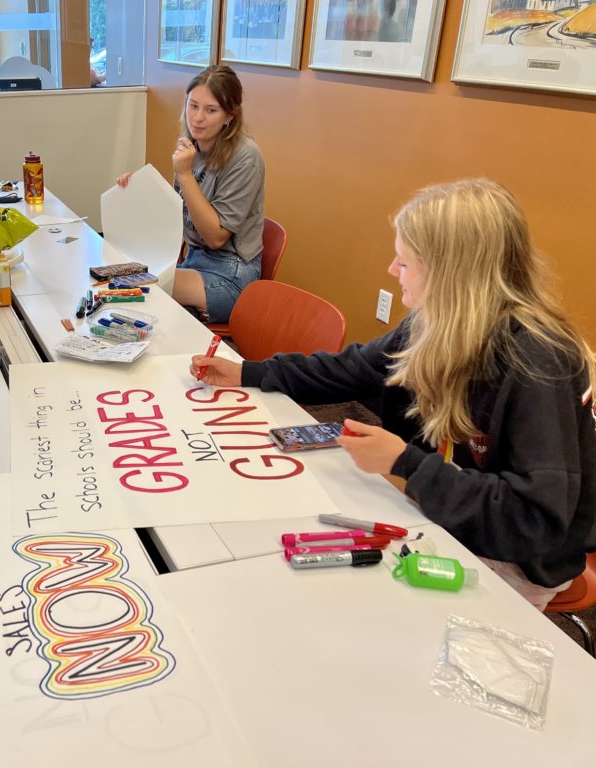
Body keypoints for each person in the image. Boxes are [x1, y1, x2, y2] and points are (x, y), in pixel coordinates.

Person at [190, 179, 596, 610]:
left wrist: (405, 464)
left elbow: (534, 520)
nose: (390, 270)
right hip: (446, 503)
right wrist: (249, 372)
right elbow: (353, 367)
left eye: (404, 263)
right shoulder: (435, 321)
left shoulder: (536, 361)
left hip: (523, 556)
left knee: (358, 605)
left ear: (450, 275)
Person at [118, 64, 265, 323]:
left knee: (138, 287)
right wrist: (137, 194)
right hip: (194, 261)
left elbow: (216, 238)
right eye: (193, 105)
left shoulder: (246, 156)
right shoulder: (191, 147)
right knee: (125, 278)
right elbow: (178, 215)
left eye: (211, 110)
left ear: (229, 116)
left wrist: (185, 175)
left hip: (231, 273)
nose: (197, 118)